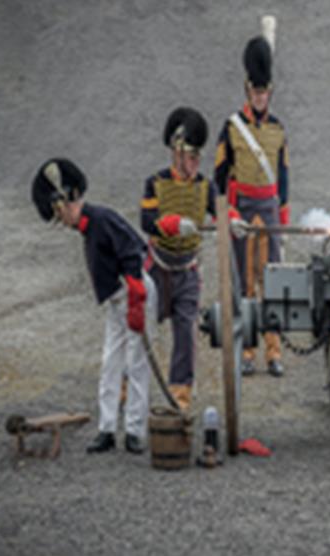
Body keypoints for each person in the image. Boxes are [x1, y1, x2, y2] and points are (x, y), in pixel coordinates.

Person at [30, 158, 152, 455]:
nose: (63, 223)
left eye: (60, 214)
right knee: (111, 361)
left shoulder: (102, 218)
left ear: (68, 200)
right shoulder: (88, 226)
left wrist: (136, 295)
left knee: (136, 362)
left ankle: (135, 430)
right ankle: (107, 428)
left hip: (134, 293)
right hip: (117, 301)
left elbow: (133, 250)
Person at [140, 107, 244, 411]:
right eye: (190, 157)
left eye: (198, 158)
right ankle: (127, 384)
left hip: (187, 270)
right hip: (158, 267)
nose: (195, 164)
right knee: (142, 330)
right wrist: (171, 223)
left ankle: (180, 392)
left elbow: (220, 209)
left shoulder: (205, 185)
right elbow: (147, 220)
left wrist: (234, 220)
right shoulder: (155, 183)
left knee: (186, 333)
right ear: (176, 152)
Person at [213, 31, 290, 377]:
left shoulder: (278, 130)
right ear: (248, 91)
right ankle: (247, 351)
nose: (261, 97)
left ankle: (274, 352)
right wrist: (228, 213)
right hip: (243, 207)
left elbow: (283, 177)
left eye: (265, 92)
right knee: (243, 282)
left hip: (269, 209)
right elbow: (218, 177)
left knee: (271, 281)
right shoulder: (231, 129)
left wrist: (283, 217)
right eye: (256, 92)